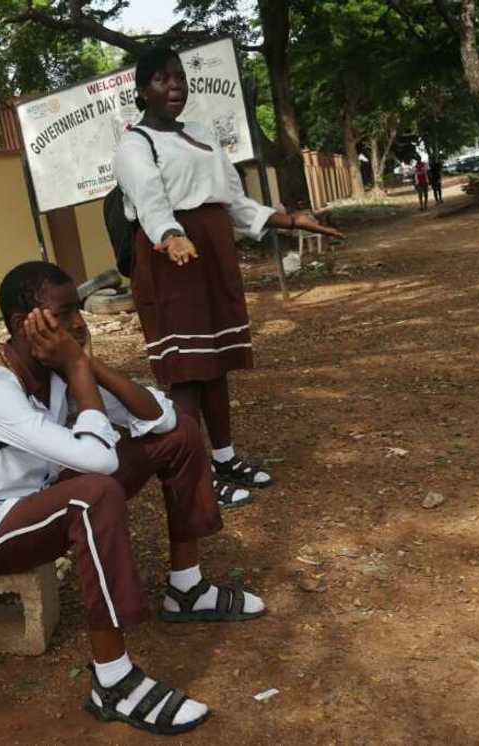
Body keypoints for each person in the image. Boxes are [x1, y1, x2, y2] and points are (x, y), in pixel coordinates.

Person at [0, 261, 266, 736]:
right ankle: (112, 680)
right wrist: (75, 365)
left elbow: (164, 417)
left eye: (79, 310)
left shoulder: (56, 374)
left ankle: (187, 588)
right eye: (64, 312)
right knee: (95, 493)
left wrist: (85, 366)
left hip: (44, 499)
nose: (79, 323)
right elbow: (101, 464)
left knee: (181, 437)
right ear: (21, 324)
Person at [113, 46, 344, 509]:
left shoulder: (200, 134)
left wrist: (291, 221)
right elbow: (150, 199)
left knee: (216, 363)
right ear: (142, 91)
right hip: (170, 258)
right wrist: (172, 235)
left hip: (211, 252)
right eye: (161, 79)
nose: (174, 85)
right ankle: (193, 473)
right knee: (186, 371)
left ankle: (224, 457)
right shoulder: (135, 144)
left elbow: (233, 200)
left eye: (179, 76)